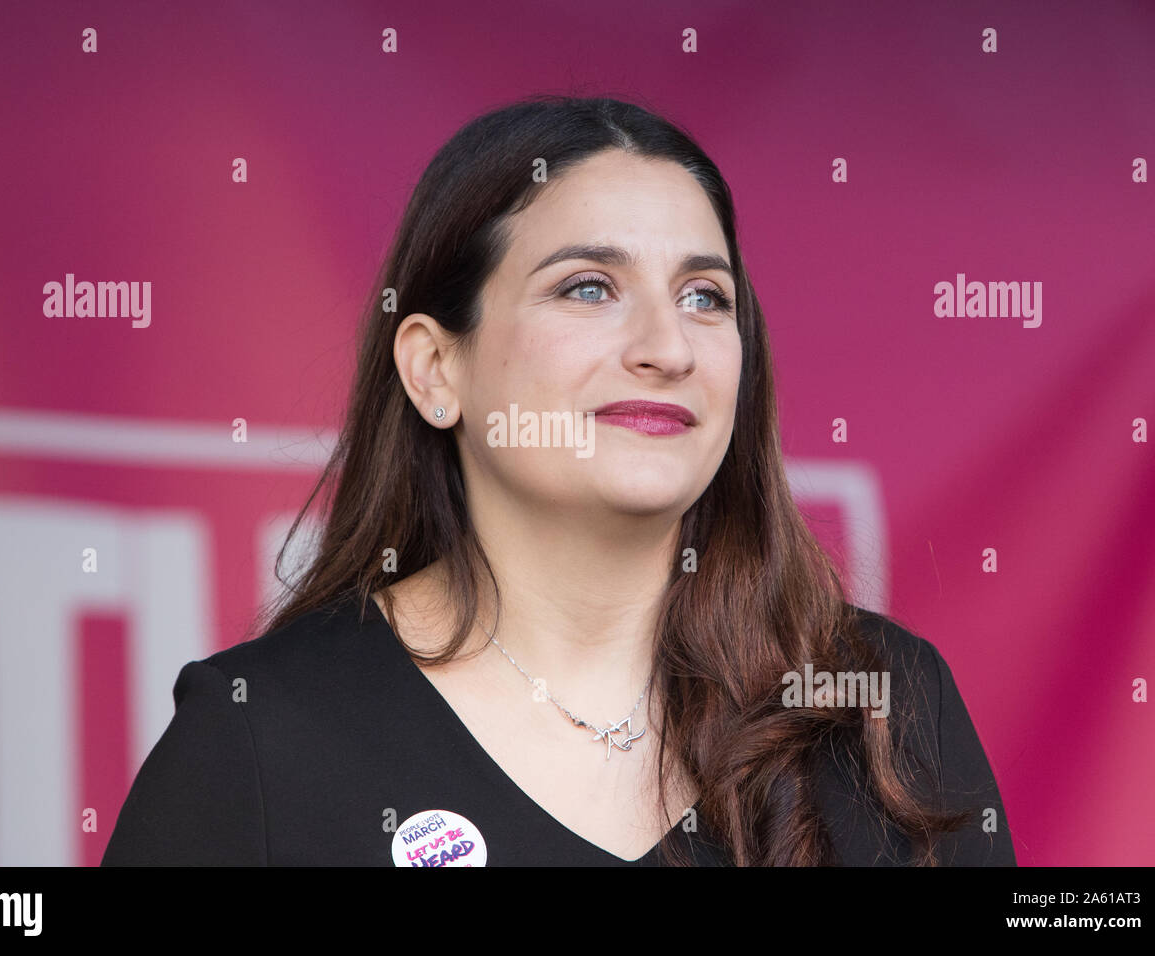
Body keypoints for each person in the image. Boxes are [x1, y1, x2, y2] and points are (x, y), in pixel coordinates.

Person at [102, 95, 1015, 867]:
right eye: (587, 287)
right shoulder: (263, 737)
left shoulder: (878, 705)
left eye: (706, 297)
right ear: (433, 370)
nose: (665, 347)